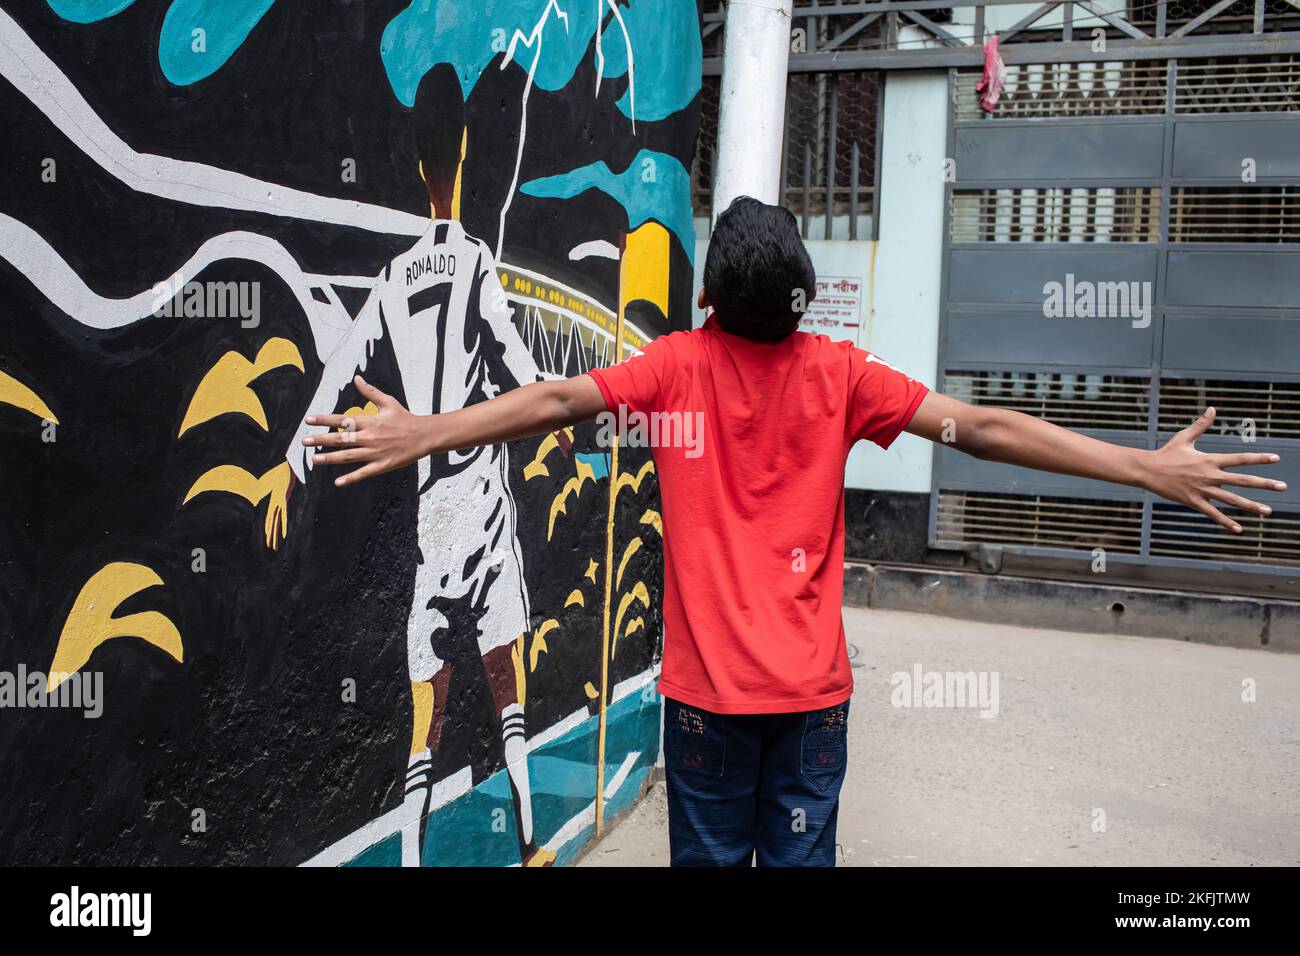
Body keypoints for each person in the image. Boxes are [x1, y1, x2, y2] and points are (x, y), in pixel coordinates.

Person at [298, 195, 1286, 867]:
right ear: (800, 302)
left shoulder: (674, 369)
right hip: (811, 707)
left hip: (706, 711)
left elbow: (554, 398)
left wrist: (424, 429)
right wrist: (1143, 466)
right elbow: (981, 428)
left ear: (709, 300)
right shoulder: (841, 375)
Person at [284, 64, 555, 867]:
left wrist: (289, 465)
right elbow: (515, 364)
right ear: (466, 149)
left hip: (430, 507)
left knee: (422, 713)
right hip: (479, 490)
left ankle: (408, 858)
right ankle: (533, 841)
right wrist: (566, 414)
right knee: (507, 680)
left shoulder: (396, 275)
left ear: (413, 161)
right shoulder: (473, 261)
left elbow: (338, 372)